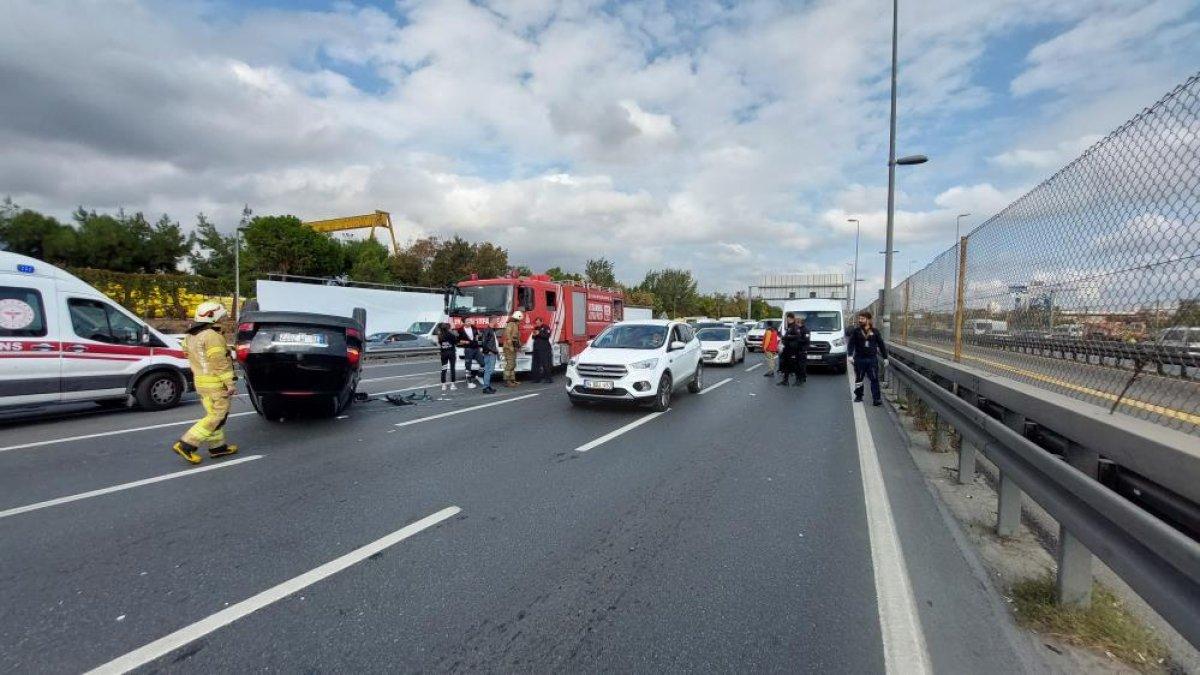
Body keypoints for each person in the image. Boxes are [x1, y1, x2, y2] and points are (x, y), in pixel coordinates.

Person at [171, 301, 238, 465]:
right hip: (216, 384)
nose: (221, 319)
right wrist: (230, 383)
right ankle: (186, 444)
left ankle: (217, 448)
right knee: (218, 416)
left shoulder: (190, 335)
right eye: (220, 316)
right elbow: (219, 363)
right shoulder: (211, 336)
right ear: (211, 315)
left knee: (213, 416)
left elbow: (189, 353)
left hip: (201, 382)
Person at [848, 310, 889, 406]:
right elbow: (851, 344)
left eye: (862, 319)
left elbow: (881, 344)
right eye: (859, 318)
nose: (860, 320)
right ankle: (859, 396)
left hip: (872, 360)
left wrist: (885, 357)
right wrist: (850, 355)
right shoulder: (856, 331)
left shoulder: (875, 332)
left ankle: (876, 399)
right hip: (859, 359)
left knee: (874, 379)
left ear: (868, 320)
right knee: (859, 379)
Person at [777, 313, 803, 386]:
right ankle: (785, 381)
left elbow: (798, 336)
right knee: (786, 365)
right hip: (787, 348)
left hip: (792, 349)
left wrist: (787, 336)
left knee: (794, 364)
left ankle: (799, 380)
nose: (787, 320)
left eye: (787, 319)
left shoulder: (795, 326)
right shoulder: (789, 326)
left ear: (790, 318)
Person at [458, 322, 483, 388]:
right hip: (468, 349)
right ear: (464, 322)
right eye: (468, 320)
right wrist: (466, 342)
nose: (469, 322)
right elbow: (459, 340)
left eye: (470, 320)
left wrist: (477, 342)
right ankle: (469, 382)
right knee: (468, 366)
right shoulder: (460, 330)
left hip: (476, 349)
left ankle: (479, 376)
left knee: (483, 363)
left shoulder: (474, 327)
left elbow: (477, 336)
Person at [502, 310, 523, 387]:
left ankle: (512, 380)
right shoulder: (510, 324)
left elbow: (516, 338)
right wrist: (511, 347)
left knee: (513, 364)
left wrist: (519, 346)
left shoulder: (515, 325)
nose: (520, 322)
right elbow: (508, 337)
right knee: (510, 364)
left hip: (513, 347)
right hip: (509, 347)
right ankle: (507, 381)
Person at [478, 322, 500, 394]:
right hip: (490, 353)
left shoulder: (491, 330)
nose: (496, 322)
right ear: (492, 321)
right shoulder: (488, 330)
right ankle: (486, 387)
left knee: (489, 370)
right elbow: (484, 342)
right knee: (489, 370)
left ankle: (487, 386)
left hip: (492, 352)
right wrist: (487, 351)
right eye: (496, 320)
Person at [531, 316, 554, 384]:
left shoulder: (546, 327)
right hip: (536, 348)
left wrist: (539, 333)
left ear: (541, 322)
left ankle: (548, 379)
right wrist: (535, 334)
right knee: (535, 364)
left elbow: (547, 336)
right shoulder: (536, 328)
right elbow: (533, 337)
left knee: (546, 363)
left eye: (538, 322)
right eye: (536, 322)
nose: (537, 323)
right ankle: (536, 379)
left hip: (544, 348)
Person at [436, 323, 459, 392]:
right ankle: (452, 384)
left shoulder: (440, 336)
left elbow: (440, 344)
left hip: (443, 354)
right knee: (452, 368)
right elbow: (456, 342)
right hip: (451, 353)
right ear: (448, 328)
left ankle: (443, 385)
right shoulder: (451, 335)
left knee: (444, 368)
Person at [793, 314, 811, 384]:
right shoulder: (797, 329)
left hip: (802, 350)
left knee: (801, 365)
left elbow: (806, 340)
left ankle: (801, 379)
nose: (796, 323)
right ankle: (799, 378)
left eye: (797, 321)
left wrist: (797, 339)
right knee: (797, 365)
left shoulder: (806, 330)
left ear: (801, 322)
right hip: (797, 350)